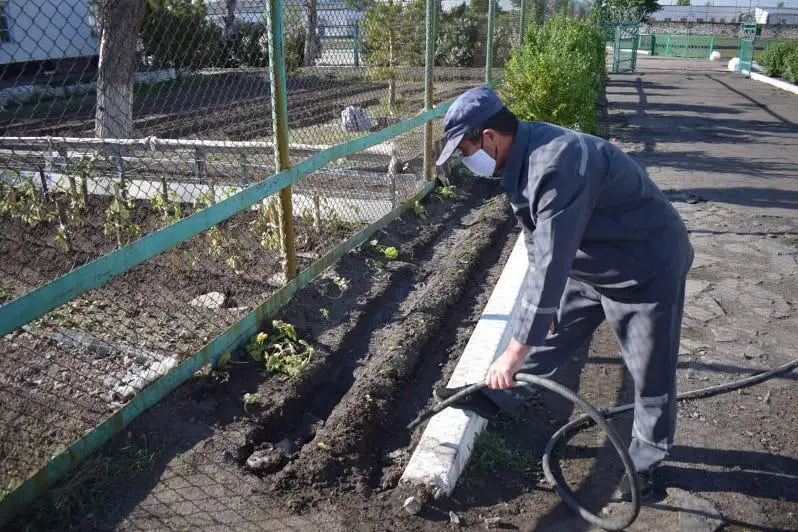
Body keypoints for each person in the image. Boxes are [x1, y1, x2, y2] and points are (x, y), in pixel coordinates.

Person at [433, 86, 694, 501]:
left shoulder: (554, 165)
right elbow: (536, 237)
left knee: (649, 370)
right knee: (547, 334)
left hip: (644, 267)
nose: (467, 161)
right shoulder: (521, 155)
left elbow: (552, 262)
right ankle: (495, 397)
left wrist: (512, 352)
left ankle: (647, 462)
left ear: (489, 137)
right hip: (593, 260)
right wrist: (542, 312)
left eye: (465, 151)